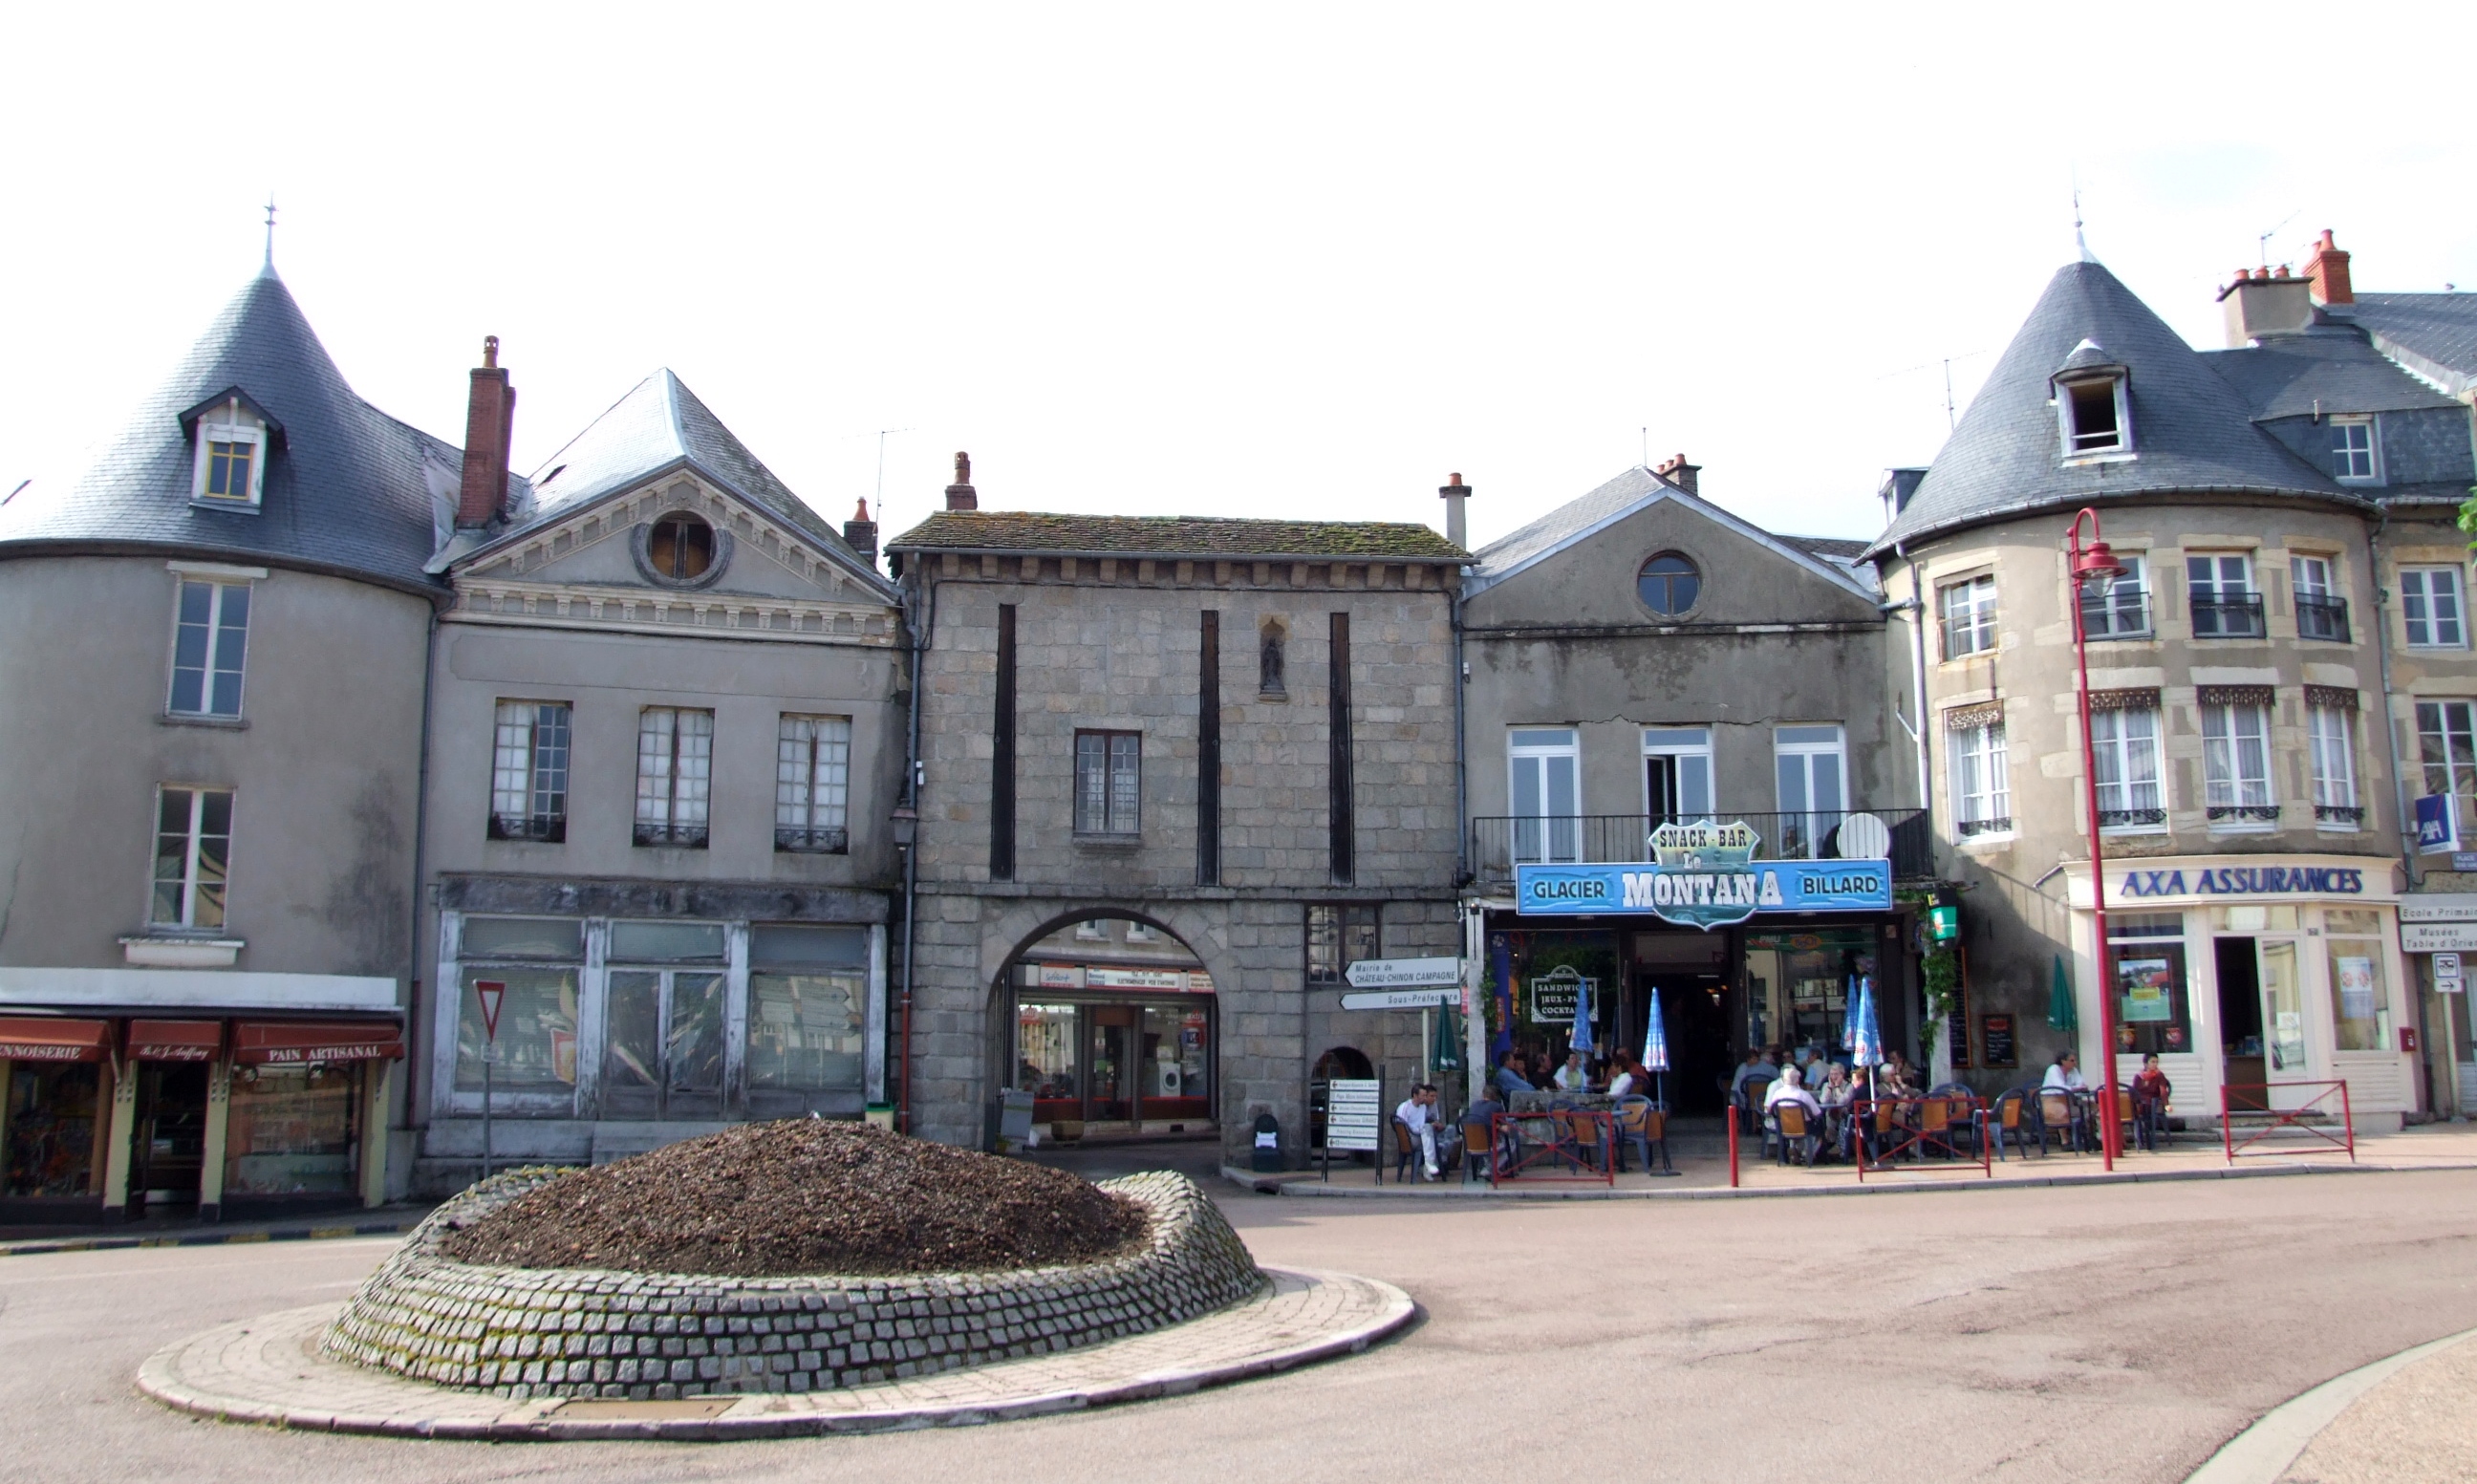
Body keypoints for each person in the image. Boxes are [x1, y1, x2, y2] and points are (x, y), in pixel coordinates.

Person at [1395, 1084, 1451, 1179]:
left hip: (1420, 1135)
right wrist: (1419, 1130)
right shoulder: (1405, 1107)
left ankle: (1428, 1165)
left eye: (1426, 1095)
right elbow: (1402, 1126)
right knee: (1428, 1132)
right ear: (1415, 1095)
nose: (1425, 1098)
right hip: (1409, 1138)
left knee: (1429, 1129)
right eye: (1423, 1096)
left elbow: (1424, 1123)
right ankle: (1429, 1164)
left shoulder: (1423, 1107)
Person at [2131, 1053, 2172, 1150]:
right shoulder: (2138, 1076)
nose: (2155, 1064)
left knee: (2145, 1110)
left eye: (2156, 1062)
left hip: (2153, 1103)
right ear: (2146, 1063)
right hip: (2139, 1102)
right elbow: (2134, 1090)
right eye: (2152, 1062)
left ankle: (2149, 1141)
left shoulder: (2159, 1075)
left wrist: (2166, 1104)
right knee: (2130, 1105)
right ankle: (2138, 1141)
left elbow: (2163, 1090)